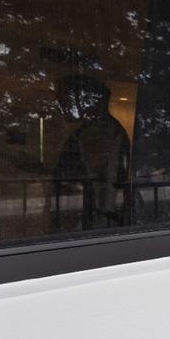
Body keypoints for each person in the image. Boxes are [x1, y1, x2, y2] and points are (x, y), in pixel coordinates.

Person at [51, 74, 130, 232]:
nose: (63, 107)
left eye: (66, 100)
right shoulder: (92, 130)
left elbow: (105, 175)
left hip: (98, 213)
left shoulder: (100, 132)